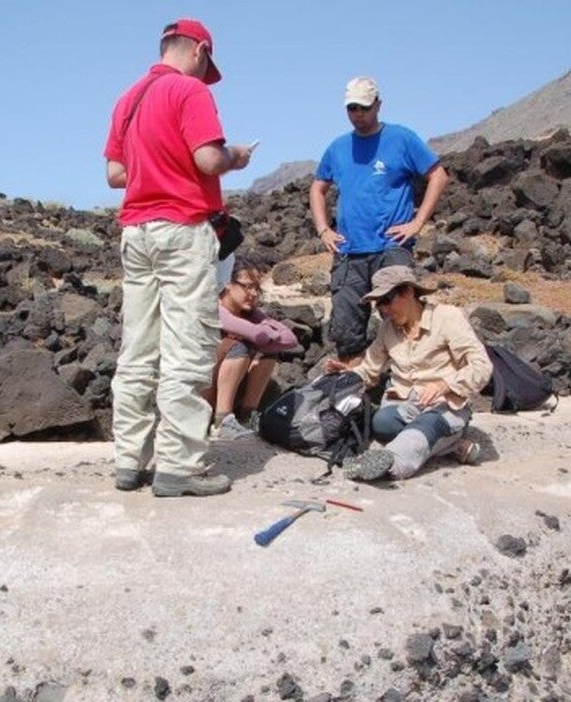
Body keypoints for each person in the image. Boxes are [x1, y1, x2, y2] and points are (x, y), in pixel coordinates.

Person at [102, 18, 255, 497]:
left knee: (138, 351)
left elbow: (114, 173)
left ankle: (129, 461)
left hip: (136, 232)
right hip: (182, 228)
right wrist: (236, 155)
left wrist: (155, 167)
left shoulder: (127, 99)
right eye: (206, 64)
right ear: (199, 51)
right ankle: (179, 468)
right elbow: (208, 160)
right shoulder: (190, 92)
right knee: (187, 349)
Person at [309, 76, 450, 365]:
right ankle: (354, 396)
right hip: (349, 252)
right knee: (346, 327)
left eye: (363, 107)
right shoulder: (338, 147)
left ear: (378, 105)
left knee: (404, 317)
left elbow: (438, 175)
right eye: (352, 108)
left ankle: (412, 385)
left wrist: (417, 222)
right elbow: (317, 187)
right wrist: (323, 228)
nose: (357, 114)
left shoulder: (401, 138)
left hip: (391, 247)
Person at [325, 266, 492, 481]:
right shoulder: (387, 329)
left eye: (386, 300)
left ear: (408, 292)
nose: (382, 309)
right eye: (378, 304)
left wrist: (445, 385)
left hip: (443, 405)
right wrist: (349, 373)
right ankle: (450, 445)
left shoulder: (447, 317)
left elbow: (482, 365)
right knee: (381, 422)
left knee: (429, 424)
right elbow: (370, 370)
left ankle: (390, 462)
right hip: (403, 406)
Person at [206, 260, 298, 439]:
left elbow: (290, 339)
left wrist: (263, 333)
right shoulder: (214, 308)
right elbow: (256, 336)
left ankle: (247, 417)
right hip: (204, 388)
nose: (253, 294)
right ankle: (221, 420)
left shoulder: (252, 314)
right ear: (227, 283)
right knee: (238, 346)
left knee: (269, 353)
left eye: (257, 288)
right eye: (247, 287)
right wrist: (263, 334)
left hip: (229, 386)